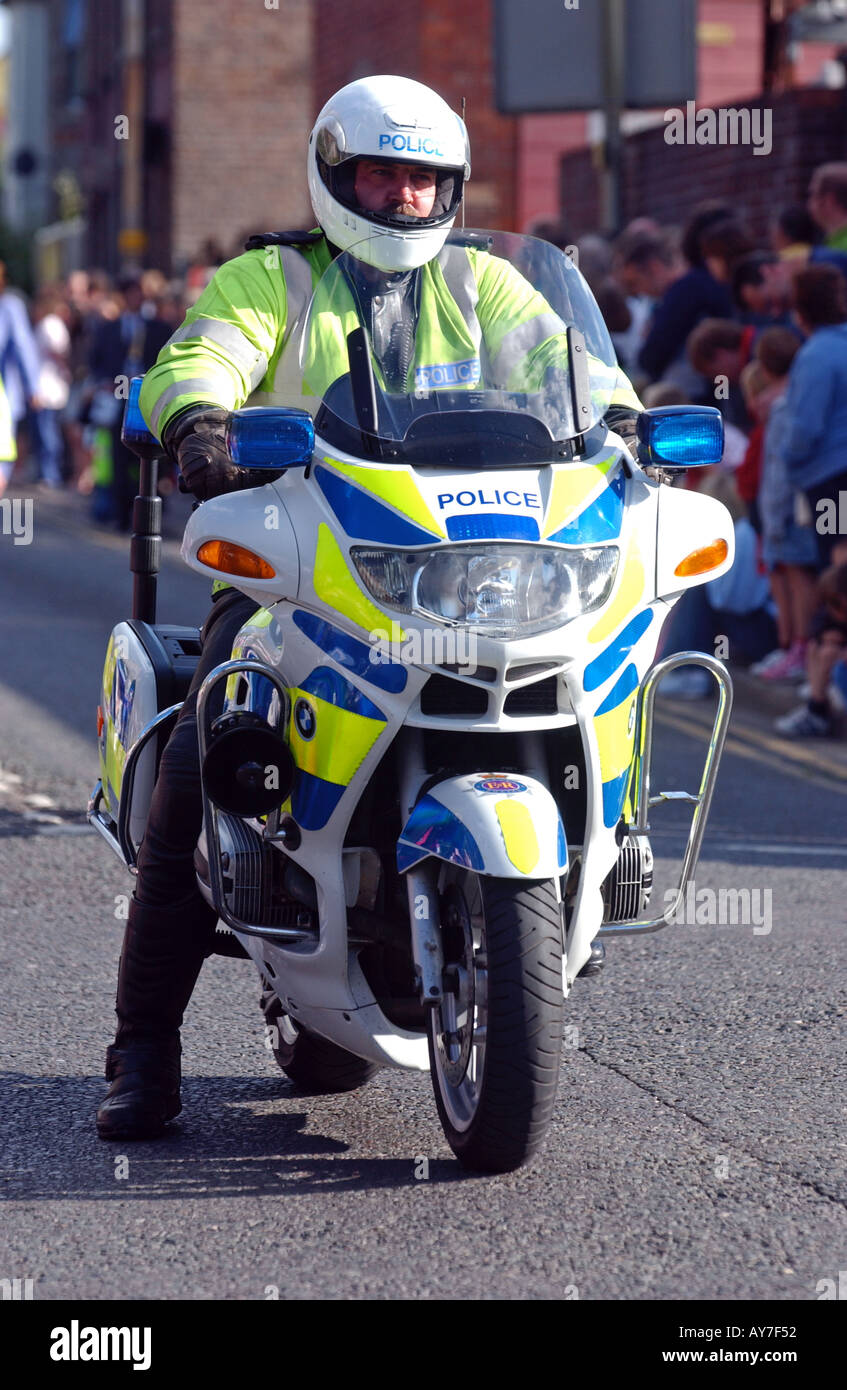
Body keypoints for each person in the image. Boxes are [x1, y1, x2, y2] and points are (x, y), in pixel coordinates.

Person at [97, 74, 644, 1141]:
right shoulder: (273, 278)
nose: (401, 198)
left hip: (467, 564)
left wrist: (623, 431)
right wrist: (200, 420)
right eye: (382, 175)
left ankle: (602, 855)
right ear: (338, 177)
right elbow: (193, 359)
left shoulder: (486, 285)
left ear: (450, 190)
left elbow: (579, 374)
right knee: (197, 757)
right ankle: (142, 1048)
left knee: (603, 663)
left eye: (423, 179)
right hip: (298, 577)